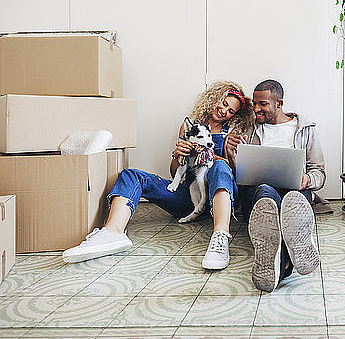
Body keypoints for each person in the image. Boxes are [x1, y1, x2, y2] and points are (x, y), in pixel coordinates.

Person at [62, 81, 253, 270]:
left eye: (230, 111)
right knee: (132, 175)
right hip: (188, 199)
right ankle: (112, 232)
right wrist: (179, 155)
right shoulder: (188, 127)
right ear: (215, 97)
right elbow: (174, 171)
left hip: (216, 201)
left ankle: (220, 236)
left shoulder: (231, 133)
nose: (224, 111)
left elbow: (232, 174)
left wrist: (208, 155)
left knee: (219, 165)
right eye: (224, 104)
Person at [225, 79, 325, 292]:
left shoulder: (305, 129)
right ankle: (287, 261)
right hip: (260, 192)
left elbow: (319, 173)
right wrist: (234, 160)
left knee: (291, 199)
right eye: (254, 104)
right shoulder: (248, 130)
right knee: (265, 193)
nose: (256, 109)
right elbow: (240, 178)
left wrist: (307, 179)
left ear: (279, 103)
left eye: (263, 104)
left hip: (294, 191)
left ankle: (277, 264)